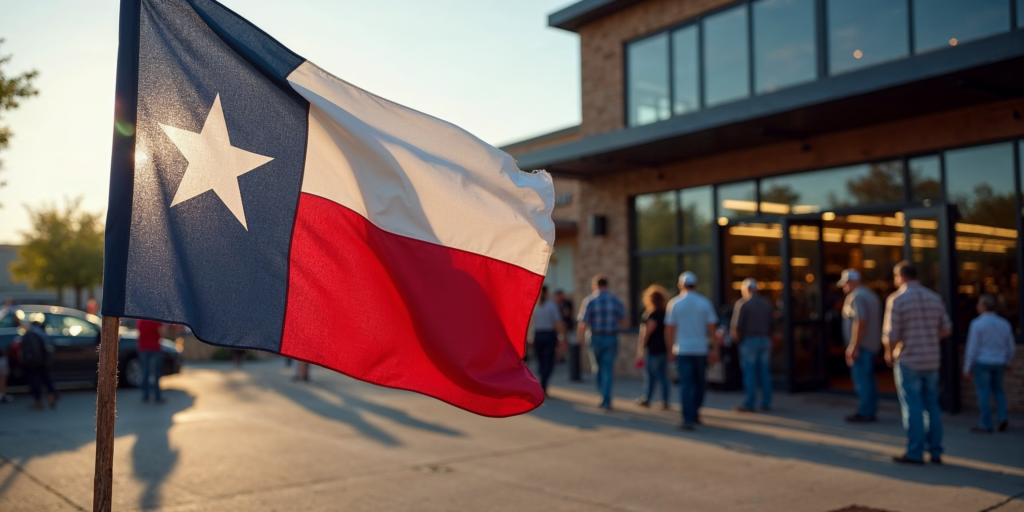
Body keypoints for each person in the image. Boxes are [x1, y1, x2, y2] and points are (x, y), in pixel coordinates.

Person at [883, 261, 952, 465]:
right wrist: (929, 337)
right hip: (931, 360)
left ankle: (915, 452)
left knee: (912, 407)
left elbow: (891, 334)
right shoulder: (934, 297)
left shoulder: (897, 299)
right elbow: (947, 329)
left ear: (901, 277)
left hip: (910, 360)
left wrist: (890, 353)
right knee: (932, 406)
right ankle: (936, 451)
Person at [665, 272, 719, 430]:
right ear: (696, 285)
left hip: (683, 350)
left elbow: (669, 330)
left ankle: (687, 417)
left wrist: (670, 349)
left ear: (681, 285)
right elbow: (712, 329)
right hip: (700, 350)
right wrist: (715, 349)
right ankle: (694, 413)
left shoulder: (675, 303)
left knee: (686, 384)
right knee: (700, 383)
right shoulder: (704, 303)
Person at [963, 294, 1015, 434]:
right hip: (999, 362)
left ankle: (985, 424)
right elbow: (1010, 346)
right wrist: (1008, 361)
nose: (977, 306)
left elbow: (972, 347)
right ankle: (1002, 417)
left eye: (979, 304)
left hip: (982, 362)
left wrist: (967, 367)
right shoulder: (1004, 323)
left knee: (983, 393)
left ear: (984, 306)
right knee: (998, 390)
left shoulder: (977, 323)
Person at [838, 269, 883, 423]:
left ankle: (865, 412)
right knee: (869, 379)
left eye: (845, 283)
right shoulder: (871, 295)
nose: (844, 287)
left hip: (862, 346)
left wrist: (854, 346)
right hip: (872, 344)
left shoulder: (856, 296)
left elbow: (860, 322)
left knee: (862, 380)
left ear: (851, 282)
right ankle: (870, 410)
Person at [577, 275, 627, 411]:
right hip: (611, 337)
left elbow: (583, 323)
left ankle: (602, 396)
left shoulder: (590, 301)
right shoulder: (616, 300)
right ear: (607, 285)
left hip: (595, 337)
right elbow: (624, 321)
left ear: (595, 285)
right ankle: (606, 398)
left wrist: (580, 339)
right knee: (608, 368)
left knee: (597, 368)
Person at [731, 278, 774, 413]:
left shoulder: (743, 303)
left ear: (747, 290)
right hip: (765, 340)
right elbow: (772, 324)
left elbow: (736, 327)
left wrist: (737, 340)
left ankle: (750, 403)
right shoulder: (766, 303)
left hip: (749, 341)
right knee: (764, 372)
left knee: (749, 373)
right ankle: (766, 401)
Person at [635, 284, 670, 409]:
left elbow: (646, 333)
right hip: (664, 348)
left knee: (650, 375)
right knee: (663, 376)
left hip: (654, 349)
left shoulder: (652, 315)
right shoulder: (666, 313)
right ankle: (665, 400)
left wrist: (641, 348)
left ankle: (647, 398)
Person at [18, 315, 58, 410]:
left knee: (34, 381)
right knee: (46, 378)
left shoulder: (29, 334)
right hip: (43, 360)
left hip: (32, 362)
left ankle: (38, 401)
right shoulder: (40, 332)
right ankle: (52, 395)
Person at [533, 286, 567, 393]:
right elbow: (557, 323)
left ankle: (540, 383)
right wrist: (563, 338)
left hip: (537, 336)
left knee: (540, 362)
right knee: (548, 363)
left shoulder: (535, 305)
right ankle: (543, 384)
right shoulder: (551, 305)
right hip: (548, 336)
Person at [136, 319, 166, 403]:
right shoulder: (156, 320)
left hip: (144, 349)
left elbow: (139, 334)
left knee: (145, 372)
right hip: (154, 348)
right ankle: (157, 396)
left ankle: (145, 395)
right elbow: (162, 334)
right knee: (156, 373)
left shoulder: (141, 320)